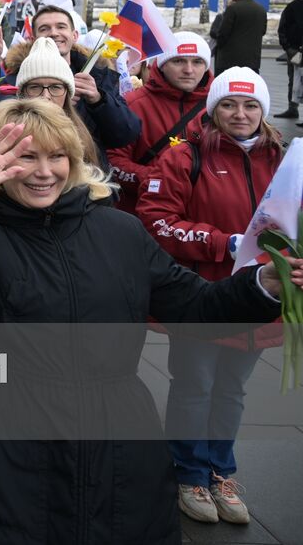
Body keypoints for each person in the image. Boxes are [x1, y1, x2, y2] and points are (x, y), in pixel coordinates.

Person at [0, 97, 300, 545]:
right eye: (26, 157)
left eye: (57, 157)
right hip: (6, 434)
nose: (44, 172)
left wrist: (263, 282)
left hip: (119, 436)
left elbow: (196, 306)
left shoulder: (119, 232)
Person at [135, 67, 282, 526]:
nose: (241, 114)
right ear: (214, 109)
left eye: (251, 105)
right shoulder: (185, 157)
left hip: (262, 296)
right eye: (230, 105)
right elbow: (155, 220)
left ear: (264, 110)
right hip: (203, 296)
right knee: (195, 387)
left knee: (232, 390)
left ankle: (222, 471)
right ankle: (190, 473)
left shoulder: (282, 158)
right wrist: (225, 243)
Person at [1, 0, 140, 159]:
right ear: (33, 38)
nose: (54, 33)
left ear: (74, 35)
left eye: (61, 27)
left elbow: (126, 134)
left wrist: (98, 100)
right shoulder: (17, 79)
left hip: (90, 174)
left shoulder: (98, 76)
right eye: (44, 28)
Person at [107, 32, 211, 214]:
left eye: (197, 62)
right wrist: (158, 179)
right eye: (178, 61)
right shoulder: (133, 104)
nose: (189, 70)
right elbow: (113, 161)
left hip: (201, 215)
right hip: (142, 212)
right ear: (162, 65)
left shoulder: (218, 107)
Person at [209, 0, 267, 74]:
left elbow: (224, 33)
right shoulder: (261, 9)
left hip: (230, 60)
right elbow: (263, 31)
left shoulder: (233, 8)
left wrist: (219, 45)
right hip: (252, 60)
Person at [275, 0, 303, 120]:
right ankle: (292, 108)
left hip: (294, 49)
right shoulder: (293, 6)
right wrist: (288, 48)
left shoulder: (293, 6)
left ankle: (292, 108)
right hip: (295, 51)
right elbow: (283, 28)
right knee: (294, 80)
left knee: (294, 80)